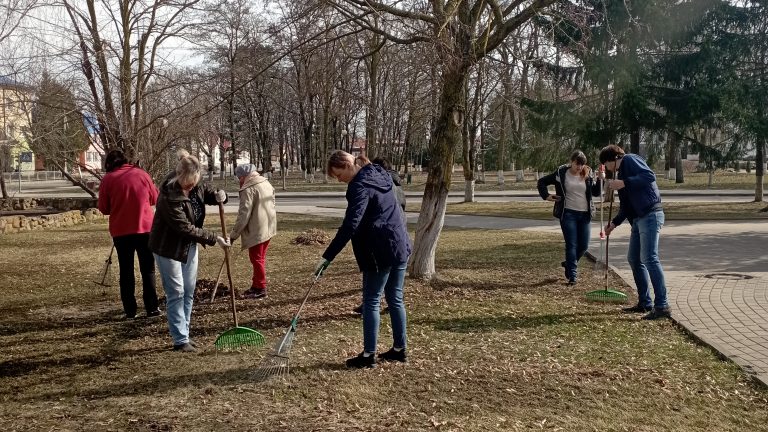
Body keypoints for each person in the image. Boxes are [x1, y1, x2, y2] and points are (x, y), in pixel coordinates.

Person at [315, 150, 412, 368]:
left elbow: (351, 224)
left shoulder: (359, 186)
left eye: (339, 175)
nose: (340, 180)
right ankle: (399, 349)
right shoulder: (379, 172)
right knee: (395, 298)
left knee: (371, 300)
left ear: (348, 165)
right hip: (399, 242)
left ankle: (369, 356)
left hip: (379, 250)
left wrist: (327, 256)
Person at [149, 150, 230, 352]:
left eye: (195, 183)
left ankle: (185, 333)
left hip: (189, 245)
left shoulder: (196, 185)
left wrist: (222, 195)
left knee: (189, 290)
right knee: (176, 291)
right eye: (189, 183)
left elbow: (207, 193)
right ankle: (180, 340)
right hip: (168, 248)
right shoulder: (169, 195)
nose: (192, 187)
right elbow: (184, 227)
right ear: (179, 177)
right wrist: (214, 238)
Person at [600, 144, 670, 320]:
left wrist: (624, 183)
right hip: (638, 219)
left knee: (650, 258)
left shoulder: (630, 159)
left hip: (650, 214)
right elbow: (626, 206)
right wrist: (613, 224)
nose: (607, 169)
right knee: (634, 259)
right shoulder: (621, 173)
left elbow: (649, 176)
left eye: (606, 164)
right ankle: (645, 302)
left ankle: (662, 305)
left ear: (612, 160)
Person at [97, 148, 160, 319]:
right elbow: (155, 198)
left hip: (121, 231)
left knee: (126, 271)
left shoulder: (108, 179)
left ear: (109, 164)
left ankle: (130, 310)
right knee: (148, 269)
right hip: (145, 229)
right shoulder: (141, 174)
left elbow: (103, 208)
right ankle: (152, 307)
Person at [348, 156, 406, 315]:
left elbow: (393, 210)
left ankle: (372, 304)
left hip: (387, 239)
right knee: (393, 296)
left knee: (378, 295)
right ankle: (373, 303)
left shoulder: (385, 184)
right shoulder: (390, 182)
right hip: (397, 238)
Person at [537, 150, 603, 285]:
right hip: (567, 213)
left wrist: (601, 179)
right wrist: (546, 196)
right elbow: (542, 182)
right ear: (571, 162)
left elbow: (596, 193)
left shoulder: (588, 173)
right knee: (572, 244)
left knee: (584, 246)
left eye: (582, 164)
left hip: (585, 214)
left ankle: (568, 263)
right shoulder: (561, 173)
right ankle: (573, 275)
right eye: (577, 164)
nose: (579, 167)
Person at [229, 163, 277, 299]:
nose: (239, 181)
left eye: (239, 178)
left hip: (258, 229)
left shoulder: (248, 188)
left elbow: (243, 215)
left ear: (244, 177)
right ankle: (256, 285)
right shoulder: (265, 183)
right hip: (268, 227)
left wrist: (233, 235)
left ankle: (260, 288)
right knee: (259, 259)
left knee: (257, 259)